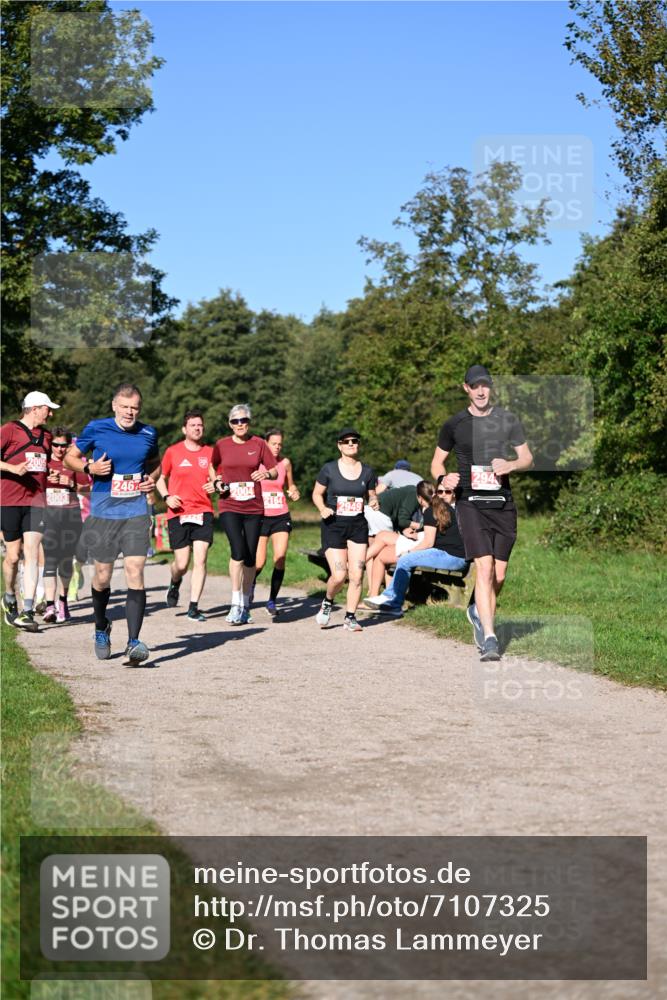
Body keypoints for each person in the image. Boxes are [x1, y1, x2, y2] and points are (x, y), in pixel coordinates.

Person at [430, 364, 533, 661]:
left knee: (498, 575)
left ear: (491, 387)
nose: (480, 391)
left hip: (502, 503)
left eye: (485, 385)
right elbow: (437, 463)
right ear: (466, 388)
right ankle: (490, 638)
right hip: (470, 503)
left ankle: (477, 608)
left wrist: (511, 464)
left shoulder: (507, 420)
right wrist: (443, 478)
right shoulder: (454, 424)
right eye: (475, 386)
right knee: (484, 569)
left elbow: (527, 457)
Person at [65, 383, 160, 663]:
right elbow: (70, 458)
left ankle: (133, 642)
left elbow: (155, 463)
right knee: (103, 575)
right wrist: (89, 467)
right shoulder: (97, 428)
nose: (130, 412)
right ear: (114, 406)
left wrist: (151, 478)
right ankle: (101, 625)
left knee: (135, 571)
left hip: (136, 512)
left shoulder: (148, 433)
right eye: (125, 407)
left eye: (135, 408)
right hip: (104, 514)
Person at [210, 404, 278, 625]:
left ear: (249, 422)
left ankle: (246, 603)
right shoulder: (222, 445)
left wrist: (266, 474)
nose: (240, 425)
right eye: (236, 421)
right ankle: (235, 603)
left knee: (250, 557)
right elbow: (212, 466)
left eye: (244, 420)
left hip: (254, 507)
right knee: (237, 551)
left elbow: (274, 470)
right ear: (230, 424)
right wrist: (216, 482)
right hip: (229, 505)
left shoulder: (258, 444)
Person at [0, 391, 59, 631]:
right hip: (9, 500)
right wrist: (12, 469)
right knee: (13, 556)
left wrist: (50, 473)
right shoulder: (9, 430)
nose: (50, 413)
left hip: (36, 501)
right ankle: (9, 596)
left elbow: (44, 463)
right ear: (34, 408)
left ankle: (27, 610)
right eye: (47, 408)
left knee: (32, 551)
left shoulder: (47, 436)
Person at [364, 482, 467, 615]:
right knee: (406, 559)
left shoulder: (430, 511)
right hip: (455, 556)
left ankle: (391, 599)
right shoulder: (443, 507)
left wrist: (409, 552)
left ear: (419, 498)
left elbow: (428, 543)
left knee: (405, 559)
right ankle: (392, 602)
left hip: (451, 556)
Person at [312, 427, 378, 632]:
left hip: (357, 527)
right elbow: (316, 494)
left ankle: (350, 617)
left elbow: (371, 494)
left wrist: (374, 500)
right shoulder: (329, 469)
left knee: (357, 576)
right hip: (334, 525)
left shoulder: (367, 471)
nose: (351, 444)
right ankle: (328, 601)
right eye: (346, 441)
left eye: (354, 441)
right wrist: (322, 508)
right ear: (339, 446)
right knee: (340, 576)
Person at [156, 409, 216, 622]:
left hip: (203, 511)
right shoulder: (173, 452)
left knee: (201, 559)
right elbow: (160, 478)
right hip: (178, 512)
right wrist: (167, 497)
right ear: (184, 429)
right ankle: (175, 582)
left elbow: (216, 479)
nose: (197, 428)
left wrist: (215, 485)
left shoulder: (210, 452)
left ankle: (193, 607)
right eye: (193, 425)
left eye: (200, 425)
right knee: (181, 564)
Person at [42, 428, 90, 623]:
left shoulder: (74, 462)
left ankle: (63, 601)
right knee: (50, 560)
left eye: (63, 445)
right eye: (56, 445)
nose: (60, 449)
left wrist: (69, 484)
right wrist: (45, 481)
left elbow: (87, 490)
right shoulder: (44, 463)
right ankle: (49, 606)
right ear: (50, 444)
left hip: (71, 517)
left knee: (65, 561)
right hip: (48, 516)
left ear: (69, 445)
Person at [255, 428, 300, 616]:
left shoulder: (285, 463)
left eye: (280, 444)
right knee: (259, 563)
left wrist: (294, 491)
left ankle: (272, 601)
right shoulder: (256, 463)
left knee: (280, 558)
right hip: (260, 516)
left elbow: (291, 485)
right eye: (273, 444)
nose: (277, 447)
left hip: (281, 515)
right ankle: (248, 589)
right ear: (265, 443)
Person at [365, 481, 435, 596]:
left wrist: (405, 529)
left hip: (371, 511)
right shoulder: (414, 497)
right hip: (381, 514)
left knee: (375, 550)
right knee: (384, 554)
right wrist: (422, 526)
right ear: (420, 497)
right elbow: (402, 520)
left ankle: (372, 589)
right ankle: (388, 593)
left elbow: (400, 517)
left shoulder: (411, 491)